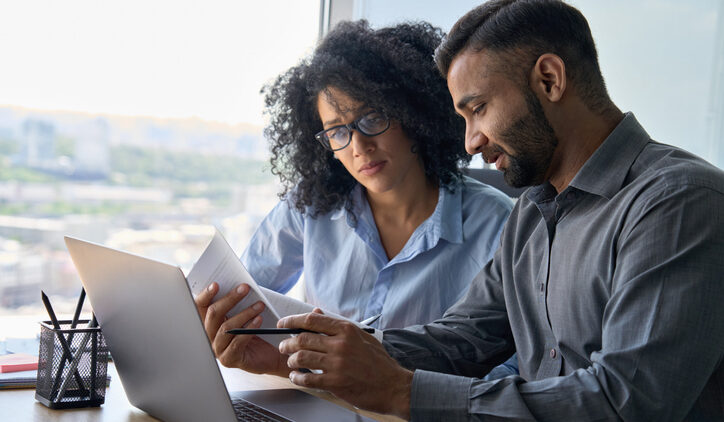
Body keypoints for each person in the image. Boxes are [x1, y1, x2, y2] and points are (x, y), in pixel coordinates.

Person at [198, 0, 724, 420]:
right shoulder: (534, 214)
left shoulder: (678, 202)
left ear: (550, 79)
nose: (470, 142)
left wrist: (403, 393)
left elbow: (627, 403)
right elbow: (461, 339)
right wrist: (301, 358)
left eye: (478, 109)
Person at [197, 20, 517, 374]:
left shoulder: (498, 224)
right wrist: (219, 325)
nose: (360, 146)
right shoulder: (310, 206)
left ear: (414, 115)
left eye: (372, 118)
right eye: (337, 132)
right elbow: (245, 296)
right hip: (315, 403)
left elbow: (512, 369)